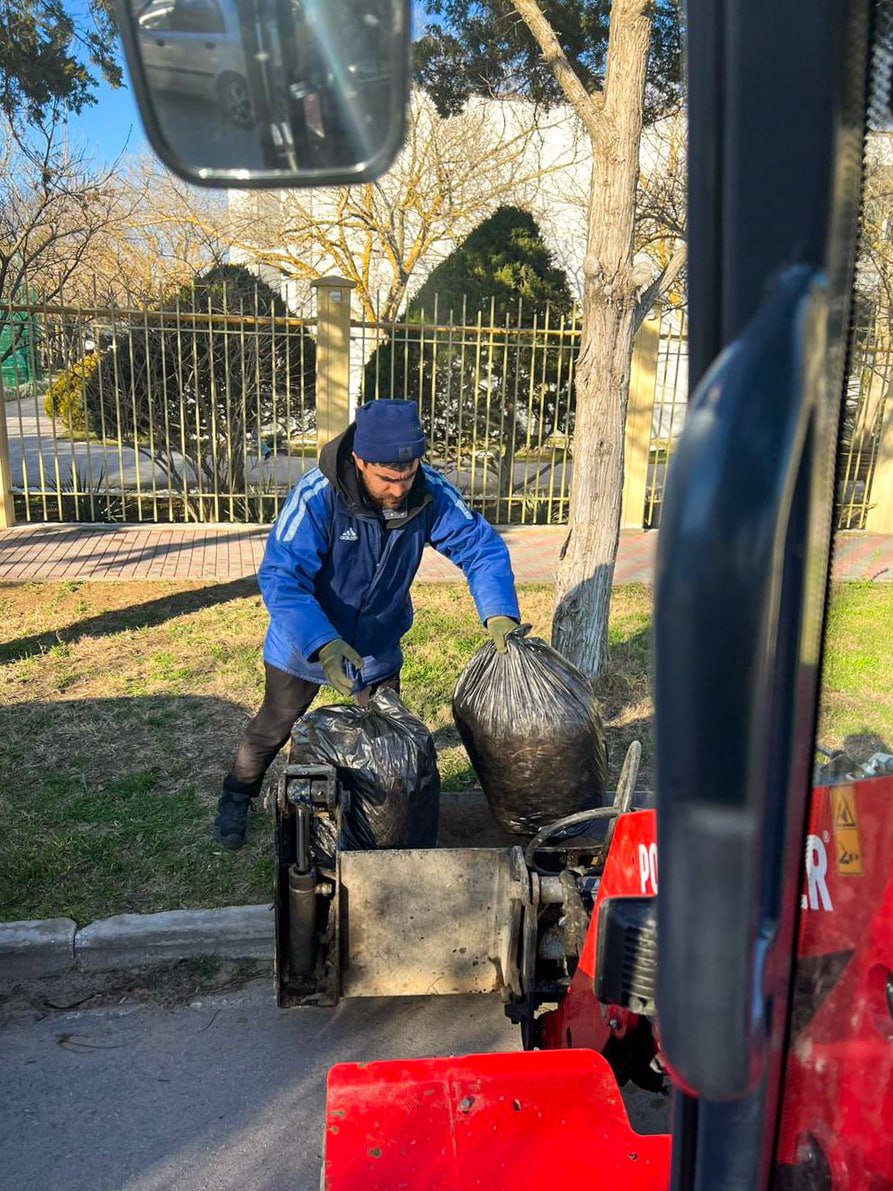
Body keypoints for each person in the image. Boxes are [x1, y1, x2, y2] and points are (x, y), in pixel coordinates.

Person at [213, 398, 521, 848]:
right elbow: (282, 576)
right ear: (359, 460)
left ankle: (373, 814)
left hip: (376, 646)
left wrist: (499, 613)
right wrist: (323, 643)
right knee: (272, 727)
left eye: (407, 476)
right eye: (387, 479)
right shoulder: (317, 496)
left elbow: (480, 547)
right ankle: (236, 796)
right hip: (303, 641)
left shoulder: (428, 491)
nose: (398, 490)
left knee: (384, 738)